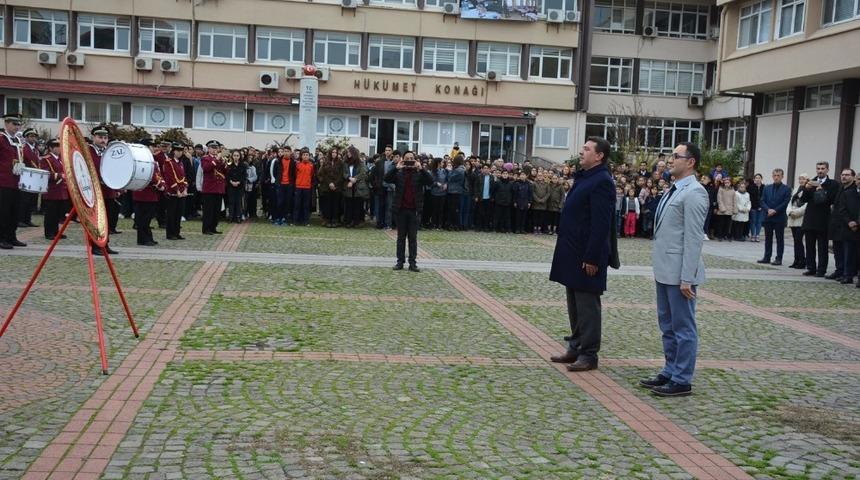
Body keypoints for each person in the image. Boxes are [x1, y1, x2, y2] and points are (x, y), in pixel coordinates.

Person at [639, 142, 709, 397]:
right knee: (667, 325)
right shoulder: (674, 189)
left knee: (683, 327)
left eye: (676, 156)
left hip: (680, 274)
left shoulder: (695, 192)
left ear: (690, 162)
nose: (670, 160)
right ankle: (670, 370)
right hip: (665, 270)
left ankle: (682, 379)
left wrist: (687, 278)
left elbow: (693, 239)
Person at [548, 137, 615, 372]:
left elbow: (601, 224)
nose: (581, 152)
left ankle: (589, 354)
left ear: (599, 156)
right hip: (572, 252)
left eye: (587, 149)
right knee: (574, 304)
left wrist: (592, 257)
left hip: (587, 255)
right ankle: (575, 346)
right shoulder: (585, 177)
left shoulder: (602, 181)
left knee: (587, 306)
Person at [385, 151, 433, 272]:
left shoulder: (419, 173)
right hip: (401, 210)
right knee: (401, 238)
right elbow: (386, 179)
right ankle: (400, 262)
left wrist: (422, 169)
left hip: (414, 210)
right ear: (403, 160)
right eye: (407, 158)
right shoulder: (399, 173)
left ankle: (413, 263)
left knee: (413, 238)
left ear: (415, 160)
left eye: (412, 158)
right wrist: (396, 168)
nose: (410, 160)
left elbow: (430, 181)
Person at [801, 161, 839, 277]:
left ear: (827, 170)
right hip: (810, 219)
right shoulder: (811, 182)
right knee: (809, 246)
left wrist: (821, 190)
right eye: (818, 168)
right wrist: (806, 188)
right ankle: (811, 268)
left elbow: (832, 200)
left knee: (822, 247)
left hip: (823, 219)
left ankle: (821, 270)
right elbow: (803, 199)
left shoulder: (833, 184)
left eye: (823, 168)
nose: (820, 170)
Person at [0, 113, 26, 249]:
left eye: (18, 124)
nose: (17, 127)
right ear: (6, 124)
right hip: (4, 181)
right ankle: (2, 238)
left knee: (15, 211)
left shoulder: (18, 140)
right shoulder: (1, 139)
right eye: (14, 124)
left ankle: (11, 236)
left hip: (17, 181)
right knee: (3, 211)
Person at [828, 168, 857, 283]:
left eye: (847, 175)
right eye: (843, 175)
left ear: (853, 177)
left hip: (847, 224)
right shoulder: (840, 187)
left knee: (848, 251)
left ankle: (847, 273)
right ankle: (839, 270)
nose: (844, 177)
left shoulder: (854, 190)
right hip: (836, 223)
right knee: (837, 250)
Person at [757, 168, 792, 265]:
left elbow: (785, 202)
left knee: (779, 238)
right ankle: (767, 257)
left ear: (782, 177)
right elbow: (762, 200)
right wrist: (768, 209)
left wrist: (775, 210)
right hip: (768, 216)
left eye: (778, 176)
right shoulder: (767, 188)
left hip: (779, 217)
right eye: (774, 175)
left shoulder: (787, 189)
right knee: (768, 238)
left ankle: (779, 258)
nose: (776, 177)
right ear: (772, 176)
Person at [39, 139, 69, 240]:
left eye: (60, 146)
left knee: (58, 213)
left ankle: (56, 232)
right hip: (52, 190)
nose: (59, 148)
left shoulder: (60, 159)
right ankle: (49, 232)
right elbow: (45, 173)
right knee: (50, 213)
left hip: (61, 190)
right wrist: (60, 175)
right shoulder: (46, 159)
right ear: (50, 148)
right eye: (56, 146)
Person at [163, 143, 188, 240]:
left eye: (181, 151)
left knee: (178, 214)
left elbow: (183, 177)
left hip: (181, 193)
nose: (180, 152)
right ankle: (170, 233)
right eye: (178, 150)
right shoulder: (169, 162)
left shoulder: (180, 163)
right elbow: (170, 178)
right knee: (171, 214)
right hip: (173, 192)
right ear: (173, 151)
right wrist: (177, 190)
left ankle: (177, 232)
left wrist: (185, 188)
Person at [200, 140, 226, 235]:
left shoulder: (219, 159)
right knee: (208, 210)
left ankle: (213, 227)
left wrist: (223, 163)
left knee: (216, 210)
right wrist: (216, 160)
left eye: (216, 148)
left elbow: (225, 171)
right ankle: (206, 229)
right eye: (213, 148)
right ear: (209, 149)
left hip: (219, 188)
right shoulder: (205, 158)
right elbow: (206, 168)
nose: (215, 150)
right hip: (209, 189)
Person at [16, 127, 40, 228]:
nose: (33, 138)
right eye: (31, 136)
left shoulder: (35, 150)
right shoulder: (23, 148)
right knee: (24, 200)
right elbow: (25, 161)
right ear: (26, 137)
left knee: (31, 200)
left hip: (34, 177)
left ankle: (27, 219)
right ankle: (20, 219)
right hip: (26, 177)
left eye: (34, 136)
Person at [342, 145, 369, 228]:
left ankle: (357, 221)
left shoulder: (360, 163)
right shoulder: (345, 162)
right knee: (349, 204)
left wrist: (354, 179)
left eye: (349, 152)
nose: (348, 154)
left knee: (357, 205)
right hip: (348, 187)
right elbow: (344, 172)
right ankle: (348, 221)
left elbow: (363, 173)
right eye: (347, 152)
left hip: (358, 187)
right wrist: (349, 178)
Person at [786, 174, 808, 269]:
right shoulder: (796, 189)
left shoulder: (808, 190)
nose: (801, 180)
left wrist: (797, 212)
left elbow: (806, 205)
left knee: (799, 240)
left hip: (801, 218)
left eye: (803, 178)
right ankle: (796, 260)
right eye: (800, 178)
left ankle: (802, 261)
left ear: (807, 180)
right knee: (795, 240)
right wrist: (790, 212)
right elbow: (790, 202)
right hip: (792, 217)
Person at [293, 148, 315, 226]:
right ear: (301, 156)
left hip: (307, 187)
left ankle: (306, 221)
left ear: (309, 156)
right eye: (304, 155)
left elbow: (312, 175)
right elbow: (295, 175)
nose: (305, 156)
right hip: (298, 187)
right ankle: (296, 221)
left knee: (306, 205)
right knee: (297, 205)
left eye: (307, 155)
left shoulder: (311, 165)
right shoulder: (297, 165)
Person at [715, 176, 736, 241]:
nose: (727, 184)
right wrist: (722, 208)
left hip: (730, 209)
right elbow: (719, 199)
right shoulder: (721, 189)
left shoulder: (733, 190)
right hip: (722, 210)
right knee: (721, 224)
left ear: (730, 183)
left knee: (728, 224)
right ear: (723, 183)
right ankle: (719, 236)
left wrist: (735, 209)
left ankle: (725, 235)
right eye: (725, 182)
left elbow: (734, 200)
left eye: (728, 182)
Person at [748, 173, 764, 241]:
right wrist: (756, 206)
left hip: (762, 207)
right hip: (753, 207)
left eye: (759, 178)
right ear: (754, 179)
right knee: (753, 221)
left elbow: (764, 198)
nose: (757, 179)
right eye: (756, 178)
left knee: (759, 222)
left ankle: (757, 235)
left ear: (761, 179)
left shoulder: (764, 187)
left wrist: (761, 206)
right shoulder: (751, 187)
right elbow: (751, 198)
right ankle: (753, 235)